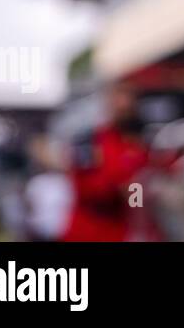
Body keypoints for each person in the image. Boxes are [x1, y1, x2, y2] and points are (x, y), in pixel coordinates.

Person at [62, 81, 150, 242]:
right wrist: (119, 187)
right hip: (87, 234)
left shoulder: (139, 145)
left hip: (120, 233)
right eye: (119, 96)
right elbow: (85, 189)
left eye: (130, 98)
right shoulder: (90, 140)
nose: (125, 104)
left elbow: (137, 197)